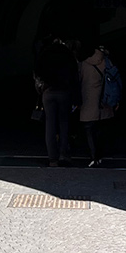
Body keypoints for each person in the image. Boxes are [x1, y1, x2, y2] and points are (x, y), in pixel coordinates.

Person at [34, 37, 78, 166]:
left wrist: (41, 89)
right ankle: (64, 154)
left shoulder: (44, 54)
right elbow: (74, 75)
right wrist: (76, 97)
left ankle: (52, 158)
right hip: (64, 92)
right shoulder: (67, 54)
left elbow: (37, 72)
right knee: (64, 123)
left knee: (50, 124)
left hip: (48, 91)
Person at [78, 40, 115, 167]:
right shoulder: (107, 62)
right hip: (104, 100)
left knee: (89, 129)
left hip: (88, 100)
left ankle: (93, 156)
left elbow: (78, 81)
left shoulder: (83, 64)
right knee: (102, 129)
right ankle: (100, 156)